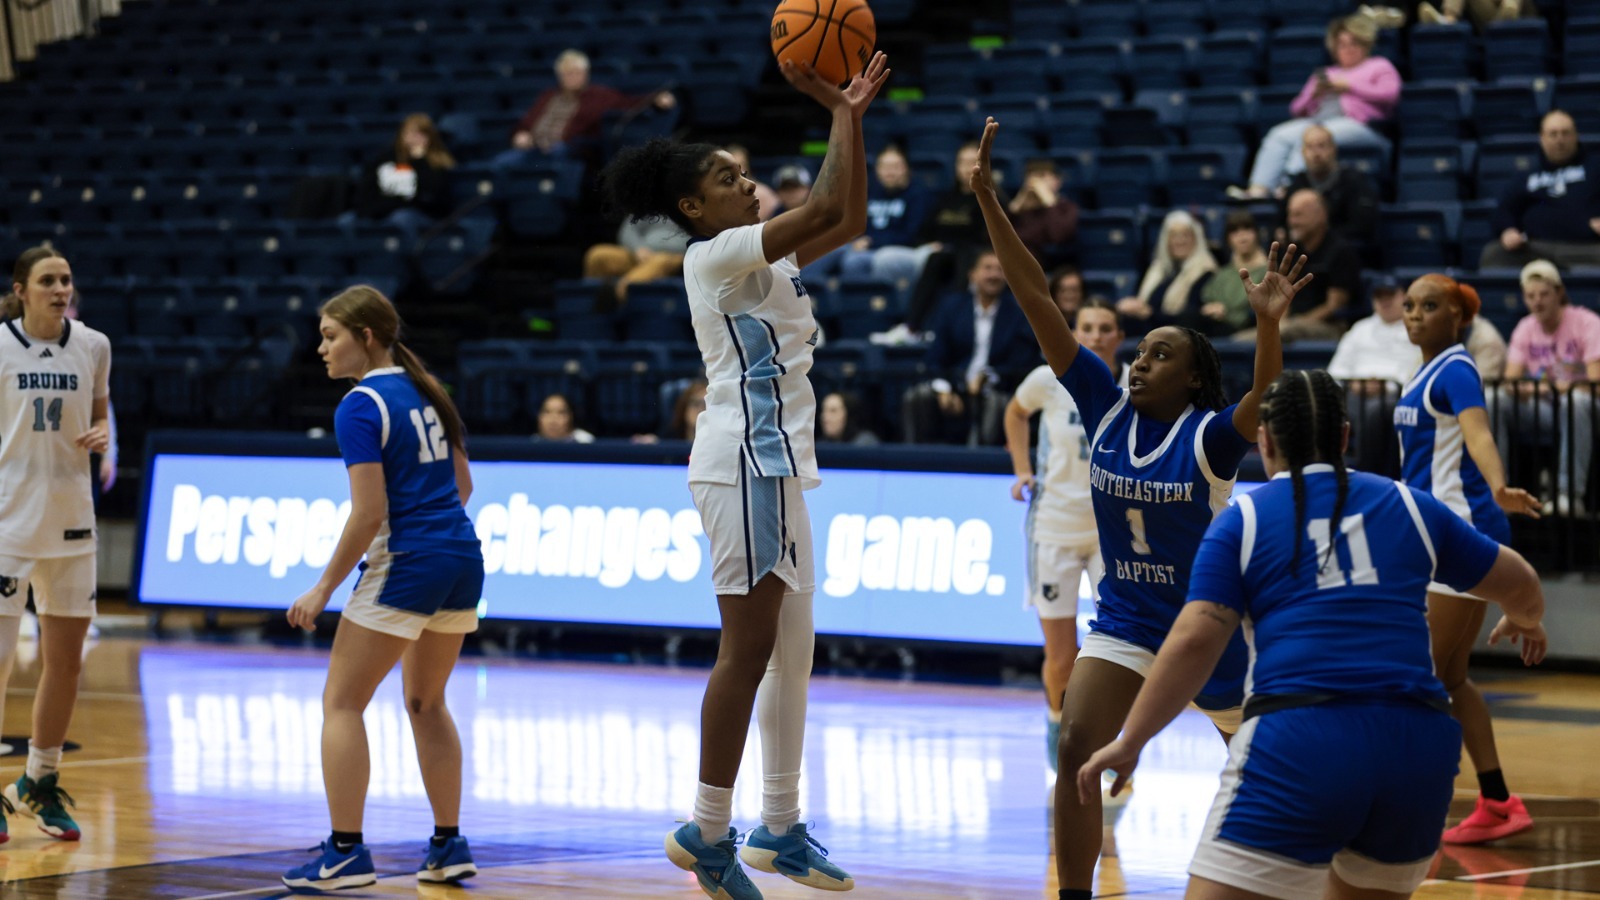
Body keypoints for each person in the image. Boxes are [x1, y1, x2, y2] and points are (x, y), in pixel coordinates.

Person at [969, 116, 1311, 900]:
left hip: (1213, 631)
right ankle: (1074, 895)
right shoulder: (1102, 405)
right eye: (1140, 350)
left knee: (1263, 767)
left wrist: (1267, 324)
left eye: (1161, 355)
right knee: (1080, 743)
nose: (1139, 363)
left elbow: (1262, 395)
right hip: (1125, 622)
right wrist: (991, 202)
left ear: (1192, 379)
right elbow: (1031, 294)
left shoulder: (1210, 438)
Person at [1077, 369, 1547, 900]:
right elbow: (1521, 584)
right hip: (1419, 747)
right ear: (1345, 436)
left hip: (1304, 733)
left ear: (1265, 441)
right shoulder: (1411, 505)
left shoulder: (1244, 518)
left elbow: (1192, 640)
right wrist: (1525, 619)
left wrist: (1132, 739)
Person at [597, 51, 890, 899]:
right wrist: (838, 109)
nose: (748, 184)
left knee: (791, 654)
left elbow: (851, 216)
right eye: (729, 178)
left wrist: (852, 117)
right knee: (749, 647)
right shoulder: (716, 256)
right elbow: (830, 203)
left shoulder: (764, 256)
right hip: (746, 462)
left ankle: (782, 826)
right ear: (693, 207)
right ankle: (707, 829)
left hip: (782, 468)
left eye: (746, 173)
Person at [280, 286, 483, 890]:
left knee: (341, 704)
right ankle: (448, 845)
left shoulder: (360, 404)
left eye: (330, 335)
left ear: (365, 338)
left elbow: (368, 514)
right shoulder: (428, 389)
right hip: (461, 557)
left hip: (410, 561)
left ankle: (343, 853)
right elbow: (463, 485)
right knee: (427, 703)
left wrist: (322, 588)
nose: (321, 348)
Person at [1394, 274, 1545, 847]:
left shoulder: (1456, 367)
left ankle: (1414, 810)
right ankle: (1499, 802)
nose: (1415, 314)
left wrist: (1500, 484)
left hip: (1457, 534)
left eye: (1429, 306)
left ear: (1457, 317)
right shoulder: (1426, 371)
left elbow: (1477, 433)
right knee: (1451, 679)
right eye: (1409, 306)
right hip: (1445, 536)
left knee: (1419, 680)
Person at [0, 248, 111, 844]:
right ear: (22, 290)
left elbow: (100, 417)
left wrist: (102, 436)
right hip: (7, 525)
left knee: (64, 661)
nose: (60, 288)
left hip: (72, 524)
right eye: (48, 280)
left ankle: (40, 783)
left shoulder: (94, 345)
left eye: (67, 279)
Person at [1003, 299, 1124, 770]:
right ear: (1075, 331)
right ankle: (1057, 722)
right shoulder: (1047, 378)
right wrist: (1021, 469)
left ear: (1118, 335)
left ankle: (1108, 740)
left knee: (1117, 645)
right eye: (1088, 327)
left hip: (1110, 532)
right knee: (1060, 655)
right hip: (1052, 527)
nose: (1095, 335)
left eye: (1105, 327)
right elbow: (1015, 413)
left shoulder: (1134, 379)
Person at [1233, 14, 1400, 198]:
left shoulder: (1378, 66)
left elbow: (1390, 95)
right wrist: (1314, 95)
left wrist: (1348, 86)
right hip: (1319, 120)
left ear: (1365, 44)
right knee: (1277, 135)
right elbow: (1296, 109)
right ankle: (1258, 191)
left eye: (1354, 43)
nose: (1348, 49)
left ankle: (1289, 187)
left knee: (1312, 138)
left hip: (1360, 125)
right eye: (1342, 44)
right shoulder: (1327, 73)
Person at [900, 250, 1042, 445]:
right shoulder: (952, 308)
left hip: (994, 388)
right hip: (955, 384)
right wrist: (944, 389)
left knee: (996, 403)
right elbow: (935, 357)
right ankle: (915, 461)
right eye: (987, 268)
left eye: (1000, 269)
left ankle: (987, 465)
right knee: (917, 397)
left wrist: (987, 377)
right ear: (972, 274)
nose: (993, 275)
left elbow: (1021, 363)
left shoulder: (1017, 315)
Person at [1501, 260, 1600, 514]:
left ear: (1559, 292)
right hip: (1544, 409)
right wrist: (1528, 388)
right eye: (1531, 296)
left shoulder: (1587, 322)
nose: (1538, 301)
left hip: (1586, 410)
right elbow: (1509, 380)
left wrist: (1564, 387)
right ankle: (1498, 490)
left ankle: (1569, 494)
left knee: (1575, 402)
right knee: (1494, 399)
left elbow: (1595, 381)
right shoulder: (1525, 327)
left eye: (1544, 294)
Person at [495, 49, 677, 170]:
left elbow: (629, 103)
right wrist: (520, 134)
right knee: (501, 163)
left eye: (576, 72)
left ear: (585, 74)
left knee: (557, 154)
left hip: (568, 150)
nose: (572, 77)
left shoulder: (599, 96)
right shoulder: (548, 96)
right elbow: (526, 122)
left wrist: (655, 98)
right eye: (567, 73)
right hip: (532, 149)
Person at [1480, 111, 1600, 270]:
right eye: (1553, 134)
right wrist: (1508, 230)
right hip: (1535, 248)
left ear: (1576, 135)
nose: (1560, 140)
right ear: (1542, 138)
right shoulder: (1527, 176)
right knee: (1493, 253)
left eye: (1565, 133)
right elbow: (1505, 210)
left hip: (1584, 247)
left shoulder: (1595, 168)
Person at [810, 145, 933, 291]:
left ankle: (865, 305)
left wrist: (872, 241)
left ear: (906, 169)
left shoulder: (919, 195)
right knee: (830, 249)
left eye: (895, 167)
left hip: (897, 251)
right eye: (885, 167)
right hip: (865, 246)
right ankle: (804, 288)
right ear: (877, 170)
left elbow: (912, 235)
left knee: (853, 261)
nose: (890, 172)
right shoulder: (870, 191)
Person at [1328, 274, 1416, 471]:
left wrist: (1387, 385)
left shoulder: (1414, 328)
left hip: (1396, 395)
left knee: (1378, 410)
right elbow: (1335, 370)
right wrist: (1356, 384)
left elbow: (1415, 369)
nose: (1385, 301)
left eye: (1390, 295)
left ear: (1403, 296)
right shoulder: (1360, 329)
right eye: (1379, 297)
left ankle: (1367, 470)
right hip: (1354, 393)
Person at [1273, 124, 1380, 251]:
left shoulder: (1354, 180)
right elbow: (1280, 225)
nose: (1316, 153)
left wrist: (1318, 236)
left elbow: (1362, 226)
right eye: (1310, 147)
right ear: (1303, 152)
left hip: (1345, 255)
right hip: (1303, 256)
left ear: (1333, 149)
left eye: (1321, 146)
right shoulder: (1297, 184)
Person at [351, 113, 456, 237]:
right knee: (348, 220)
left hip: (422, 213)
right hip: (383, 210)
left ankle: (410, 253)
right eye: (411, 133)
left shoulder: (437, 163)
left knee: (403, 218)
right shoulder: (386, 159)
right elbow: (368, 190)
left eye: (421, 134)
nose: (415, 139)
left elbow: (436, 199)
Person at [1116, 210, 1219, 331]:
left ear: (1196, 239)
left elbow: (1190, 317)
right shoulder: (1158, 269)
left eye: (1186, 235)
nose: (1179, 241)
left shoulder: (1206, 271)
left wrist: (1149, 314)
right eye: (1174, 235)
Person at [1281, 188, 1362, 340]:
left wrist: (1296, 322)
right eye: (1290, 215)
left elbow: (1335, 306)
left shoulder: (1340, 251)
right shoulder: (1291, 251)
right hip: (1289, 325)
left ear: (1321, 215)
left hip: (1331, 326)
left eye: (1299, 215)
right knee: (1238, 342)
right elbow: (1282, 299)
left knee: (1284, 331)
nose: (1292, 222)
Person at [582, 217, 690, 303]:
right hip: (639, 254)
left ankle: (616, 297)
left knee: (661, 261)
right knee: (597, 255)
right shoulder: (650, 204)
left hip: (673, 256)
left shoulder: (693, 207)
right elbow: (628, 230)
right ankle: (587, 304)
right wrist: (638, 248)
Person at [1200, 210, 1267, 336]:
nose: (1242, 237)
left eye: (1247, 229)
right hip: (1216, 326)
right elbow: (1207, 299)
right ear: (1228, 239)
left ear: (1257, 234)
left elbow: (1258, 313)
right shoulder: (1223, 273)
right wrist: (1212, 308)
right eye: (1235, 232)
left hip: (1246, 331)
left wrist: (1226, 313)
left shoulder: (1268, 272)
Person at [1008, 159, 1080, 270]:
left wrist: (1048, 201)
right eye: (1031, 177)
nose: (1035, 182)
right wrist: (1015, 207)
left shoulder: (1067, 208)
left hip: (1051, 265)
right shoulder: (1019, 210)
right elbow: (993, 239)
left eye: (1042, 176)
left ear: (1058, 181)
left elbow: (1059, 236)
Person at [726, 144, 779, 222]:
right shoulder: (720, 194)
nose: (740, 170)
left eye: (742, 164)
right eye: (735, 166)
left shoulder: (763, 193)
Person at [1418, 0, 1539, 30]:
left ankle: (1507, 16)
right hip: (1490, 21)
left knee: (1510, 4)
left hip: (1521, 17)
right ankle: (1448, 21)